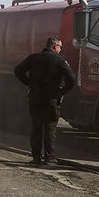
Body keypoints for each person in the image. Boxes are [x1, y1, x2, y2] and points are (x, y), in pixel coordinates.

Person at [13, 37, 76, 165]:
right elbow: (72, 79)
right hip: (52, 99)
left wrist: (29, 83)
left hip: (35, 97)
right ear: (54, 47)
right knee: (50, 127)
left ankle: (36, 157)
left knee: (36, 127)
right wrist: (62, 91)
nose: (60, 50)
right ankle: (50, 157)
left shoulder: (34, 58)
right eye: (60, 47)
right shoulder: (60, 60)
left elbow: (18, 70)